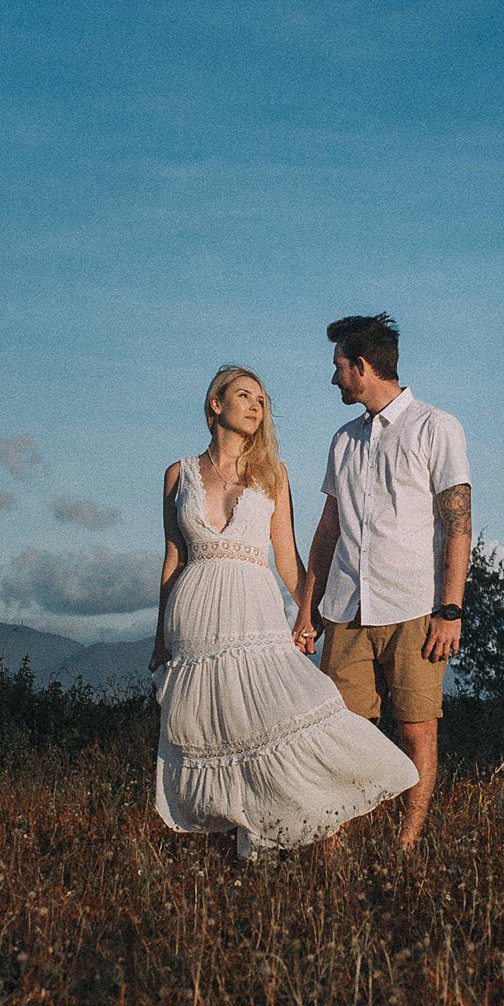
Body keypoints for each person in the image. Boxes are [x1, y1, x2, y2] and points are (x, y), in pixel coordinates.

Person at [151, 365, 419, 859]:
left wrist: (309, 614)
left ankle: (286, 834)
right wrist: (159, 641)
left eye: (261, 400)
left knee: (283, 718)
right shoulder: (178, 474)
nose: (256, 406)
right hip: (194, 625)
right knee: (220, 732)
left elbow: (288, 560)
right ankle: (243, 852)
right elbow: (173, 560)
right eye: (244, 396)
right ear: (216, 404)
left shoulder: (273, 475)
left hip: (253, 615)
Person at [291, 313, 470, 850]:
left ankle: (406, 846)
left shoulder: (437, 427)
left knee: (417, 730)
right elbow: (328, 530)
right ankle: (337, 846)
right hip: (345, 611)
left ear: (363, 367)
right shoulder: (343, 441)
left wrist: (450, 610)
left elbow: (458, 522)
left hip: (416, 610)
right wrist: (307, 609)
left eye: (339, 367)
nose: (334, 379)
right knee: (343, 738)